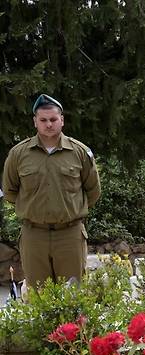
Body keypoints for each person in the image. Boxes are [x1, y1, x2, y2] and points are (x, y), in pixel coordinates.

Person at [2, 94, 101, 288]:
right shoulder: (19, 154)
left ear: (62, 120)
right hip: (34, 235)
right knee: (39, 297)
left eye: (53, 119)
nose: (49, 124)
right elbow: (10, 191)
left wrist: (68, 210)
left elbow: (93, 191)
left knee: (73, 295)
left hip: (69, 235)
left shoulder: (79, 152)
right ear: (35, 122)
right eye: (43, 120)